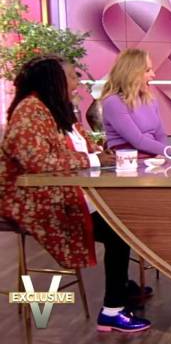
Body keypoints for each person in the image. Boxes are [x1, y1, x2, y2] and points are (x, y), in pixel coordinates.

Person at [0, 56, 151, 332]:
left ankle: (120, 287)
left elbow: (83, 147)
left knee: (125, 219)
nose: (77, 83)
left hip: (71, 193)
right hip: (37, 200)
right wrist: (92, 160)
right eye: (71, 77)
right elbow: (38, 162)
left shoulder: (59, 109)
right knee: (119, 231)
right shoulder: (29, 110)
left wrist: (100, 154)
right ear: (53, 80)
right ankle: (112, 310)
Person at [101, 48, 168, 157]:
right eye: (147, 70)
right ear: (132, 73)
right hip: (128, 161)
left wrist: (163, 156)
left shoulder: (151, 100)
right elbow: (138, 141)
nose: (153, 74)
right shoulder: (113, 102)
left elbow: (161, 135)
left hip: (153, 158)